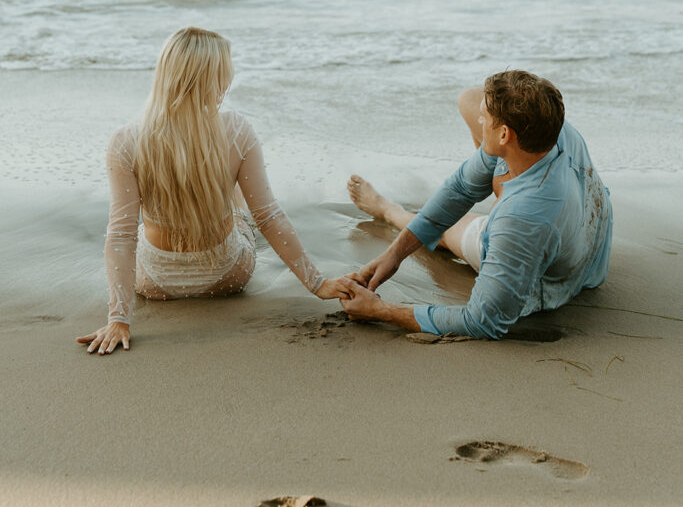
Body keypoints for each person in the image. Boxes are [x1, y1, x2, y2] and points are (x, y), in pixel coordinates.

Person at [77, 27, 350, 355]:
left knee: (137, 223)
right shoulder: (236, 130)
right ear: (214, 78)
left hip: (153, 282)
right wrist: (317, 283)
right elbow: (268, 216)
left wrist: (118, 318)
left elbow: (121, 235)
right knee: (236, 198)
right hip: (227, 277)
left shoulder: (126, 140)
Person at [340, 70, 613, 339]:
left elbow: (482, 320)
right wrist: (394, 256)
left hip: (555, 276)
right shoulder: (549, 126)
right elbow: (459, 188)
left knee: (449, 230)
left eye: (485, 118)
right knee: (468, 99)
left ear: (505, 134)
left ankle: (389, 210)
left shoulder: (520, 221)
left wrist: (380, 310)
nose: (479, 120)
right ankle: (499, 188)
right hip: (591, 235)